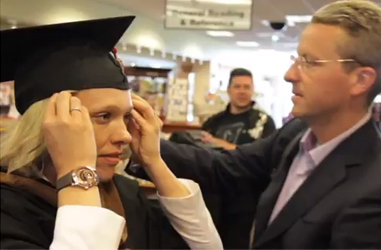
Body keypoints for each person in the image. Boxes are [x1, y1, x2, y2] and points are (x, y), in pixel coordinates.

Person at [132, 1, 381, 249]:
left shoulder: (379, 191)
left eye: (310, 62)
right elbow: (223, 168)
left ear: (361, 80)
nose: (290, 74)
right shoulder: (296, 136)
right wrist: (141, 147)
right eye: (296, 59)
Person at [0, 16, 223, 250]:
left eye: (127, 117)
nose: (125, 135)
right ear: (48, 122)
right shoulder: (9, 207)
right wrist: (78, 175)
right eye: (104, 116)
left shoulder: (124, 194)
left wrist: (154, 163)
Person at [200, 68, 276, 150]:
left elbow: (266, 155)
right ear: (229, 90)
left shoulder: (264, 122)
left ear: (252, 90)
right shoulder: (213, 123)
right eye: (237, 87)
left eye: (247, 87)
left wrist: (221, 144)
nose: (242, 92)